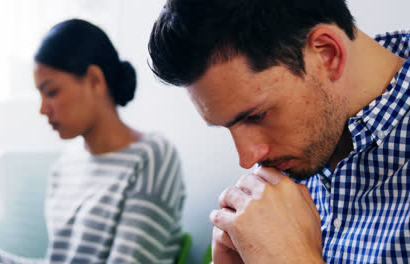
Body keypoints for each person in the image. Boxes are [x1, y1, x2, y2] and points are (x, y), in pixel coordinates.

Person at [148, 0, 410, 263]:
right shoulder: (289, 164)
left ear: (327, 54)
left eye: (256, 116)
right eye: (228, 127)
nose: (248, 159)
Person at [0, 18, 185, 264]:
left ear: (95, 80)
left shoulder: (152, 156)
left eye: (51, 92)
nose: (42, 109)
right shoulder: (64, 167)